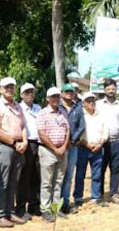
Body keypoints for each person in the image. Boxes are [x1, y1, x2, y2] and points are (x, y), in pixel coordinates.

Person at [0, 77, 28, 228]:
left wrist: (24, 141)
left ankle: (10, 212)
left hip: (18, 146)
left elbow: (23, 126)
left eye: (12, 87)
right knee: (3, 181)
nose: (10, 90)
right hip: (4, 146)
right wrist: (14, 142)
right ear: (0, 89)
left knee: (14, 181)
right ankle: (0, 215)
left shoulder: (17, 106)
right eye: (7, 87)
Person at [37, 87, 70, 221]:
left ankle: (56, 208)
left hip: (62, 151)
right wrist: (55, 149)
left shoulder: (63, 112)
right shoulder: (43, 113)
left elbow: (67, 130)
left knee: (58, 181)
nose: (55, 99)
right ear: (47, 99)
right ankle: (45, 209)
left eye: (57, 96)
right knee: (47, 182)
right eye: (53, 97)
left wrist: (64, 146)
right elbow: (42, 133)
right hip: (47, 151)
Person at [95, 79, 119, 204]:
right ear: (104, 90)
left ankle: (114, 194)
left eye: (113, 89)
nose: (111, 91)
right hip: (102, 143)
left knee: (115, 169)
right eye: (108, 89)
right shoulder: (98, 104)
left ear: (116, 90)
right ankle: (99, 195)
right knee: (101, 169)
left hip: (117, 141)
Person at [60, 83, 86, 211]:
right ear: (62, 93)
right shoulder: (57, 107)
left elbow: (81, 126)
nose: (69, 94)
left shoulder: (78, 108)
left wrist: (72, 140)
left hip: (73, 147)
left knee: (69, 175)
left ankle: (65, 203)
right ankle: (56, 203)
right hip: (59, 147)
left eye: (71, 91)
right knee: (58, 176)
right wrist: (64, 142)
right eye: (67, 91)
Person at [17, 83, 41, 219]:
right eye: (27, 92)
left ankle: (34, 205)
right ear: (21, 95)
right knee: (24, 177)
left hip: (39, 143)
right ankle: (21, 208)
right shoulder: (18, 108)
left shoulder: (38, 108)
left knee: (36, 176)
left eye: (32, 92)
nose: (30, 94)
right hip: (26, 144)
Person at [79, 92, 108, 205]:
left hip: (98, 148)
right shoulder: (80, 115)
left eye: (93, 100)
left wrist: (100, 144)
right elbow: (77, 133)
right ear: (83, 103)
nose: (91, 102)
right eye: (88, 101)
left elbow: (106, 132)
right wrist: (86, 144)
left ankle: (96, 197)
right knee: (80, 174)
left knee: (97, 174)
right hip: (83, 148)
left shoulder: (101, 115)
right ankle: (78, 198)